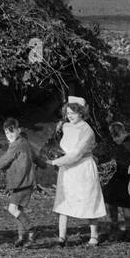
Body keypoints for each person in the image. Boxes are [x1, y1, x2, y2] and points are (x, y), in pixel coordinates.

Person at [50, 96, 108, 246]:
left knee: (88, 199)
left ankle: (94, 235)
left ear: (81, 113)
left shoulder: (87, 130)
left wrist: (55, 162)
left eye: (73, 113)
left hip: (82, 168)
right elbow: (65, 145)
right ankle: (62, 237)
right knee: (65, 200)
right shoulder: (67, 126)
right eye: (68, 113)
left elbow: (76, 154)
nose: (70, 116)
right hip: (67, 169)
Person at [0, 116, 48, 247]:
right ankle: (21, 237)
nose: (9, 135)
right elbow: (35, 157)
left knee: (12, 209)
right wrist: (44, 165)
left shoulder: (16, 145)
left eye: (11, 132)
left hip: (20, 183)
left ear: (18, 130)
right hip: (26, 182)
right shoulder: (24, 142)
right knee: (19, 210)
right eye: (7, 133)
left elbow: (5, 159)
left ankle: (31, 231)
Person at [103, 121, 130, 240]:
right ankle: (128, 230)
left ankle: (116, 229)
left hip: (121, 178)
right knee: (125, 206)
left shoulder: (121, 145)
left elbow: (120, 162)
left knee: (114, 204)